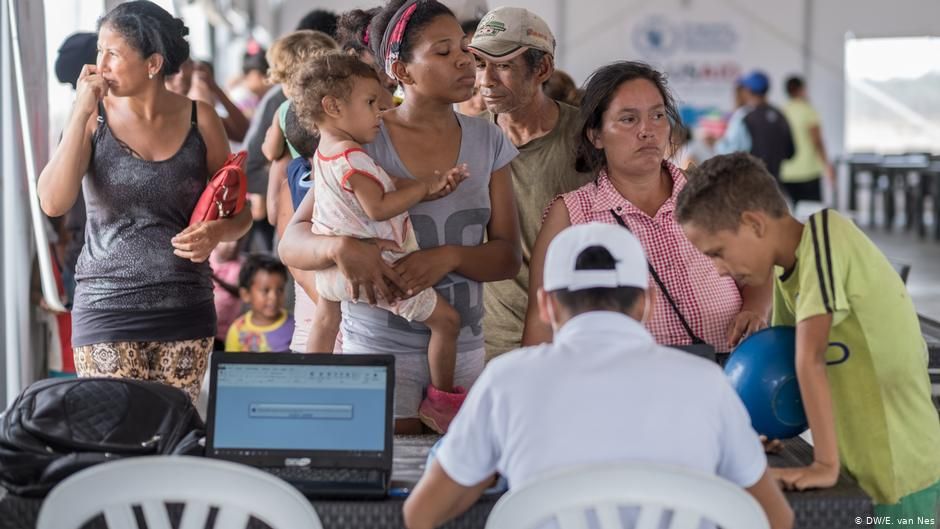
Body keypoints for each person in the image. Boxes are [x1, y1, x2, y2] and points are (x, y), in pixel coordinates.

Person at [402, 223, 794, 529]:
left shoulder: (506, 381)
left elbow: (420, 514)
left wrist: (485, 473)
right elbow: (776, 517)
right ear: (647, 303)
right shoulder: (707, 382)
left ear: (545, 305)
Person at [279, 0, 521, 434]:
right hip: (376, 351)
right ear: (402, 72)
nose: (465, 60)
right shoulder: (363, 139)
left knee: (460, 490)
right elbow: (291, 243)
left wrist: (447, 257)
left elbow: (507, 258)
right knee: (384, 484)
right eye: (444, 52)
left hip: (464, 354)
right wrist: (340, 247)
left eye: (465, 49)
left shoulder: (489, 140)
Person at [675, 152, 940, 526]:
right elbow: (784, 370)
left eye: (717, 254)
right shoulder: (788, 274)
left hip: (900, 475)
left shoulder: (827, 237)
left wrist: (824, 465)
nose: (718, 271)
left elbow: (808, 358)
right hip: (859, 473)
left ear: (753, 223)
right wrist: (759, 430)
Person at [37, 1, 252, 401]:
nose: (100, 64)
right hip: (106, 308)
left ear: (153, 63)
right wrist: (81, 111)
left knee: (171, 438)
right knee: (115, 438)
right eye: (99, 51)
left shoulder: (200, 119)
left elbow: (242, 214)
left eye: (113, 54)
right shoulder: (90, 117)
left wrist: (218, 231)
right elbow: (53, 201)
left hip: (185, 310)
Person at [523, 61, 770, 354]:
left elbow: (758, 268)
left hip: (726, 376)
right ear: (596, 135)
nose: (647, 131)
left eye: (657, 116)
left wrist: (755, 309)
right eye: (628, 119)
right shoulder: (572, 215)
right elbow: (540, 329)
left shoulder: (710, 194)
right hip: (625, 388)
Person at [294, 53, 471, 432]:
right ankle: (442, 402)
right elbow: (378, 207)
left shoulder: (326, 153)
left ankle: (309, 387)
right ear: (333, 106)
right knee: (447, 323)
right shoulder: (354, 159)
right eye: (371, 103)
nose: (384, 108)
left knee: (326, 320)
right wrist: (424, 187)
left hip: (335, 271)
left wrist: (431, 188)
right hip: (379, 271)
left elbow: (387, 183)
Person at [469, 7, 594, 360]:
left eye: (503, 65)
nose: (486, 80)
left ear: (542, 69)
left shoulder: (591, 139)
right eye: (480, 64)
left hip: (570, 342)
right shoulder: (464, 139)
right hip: (483, 347)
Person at [779, 75, 834, 206]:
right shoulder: (808, 110)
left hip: (787, 172)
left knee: (794, 214)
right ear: (802, 89)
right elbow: (817, 141)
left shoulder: (781, 111)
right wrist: (827, 165)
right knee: (813, 215)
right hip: (808, 172)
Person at [224, 254, 295, 352]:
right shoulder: (237, 330)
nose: (273, 297)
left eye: (280, 290)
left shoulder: (294, 327)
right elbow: (229, 365)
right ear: (246, 294)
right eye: (265, 291)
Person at [739, 70, 795, 181]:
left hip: (751, 183)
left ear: (748, 91)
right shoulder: (780, 115)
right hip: (774, 183)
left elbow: (734, 152)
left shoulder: (746, 118)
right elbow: (790, 152)